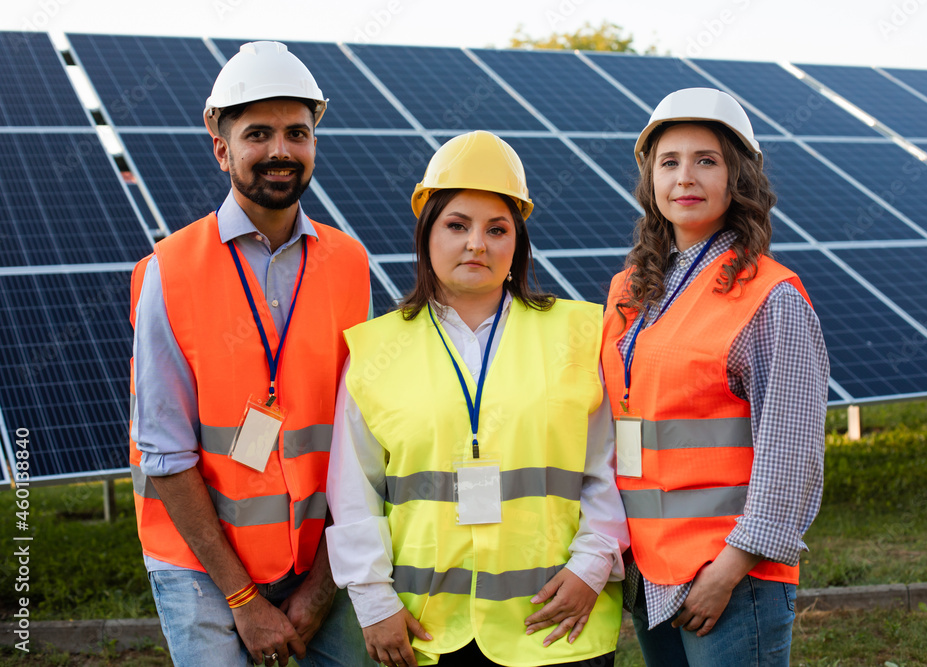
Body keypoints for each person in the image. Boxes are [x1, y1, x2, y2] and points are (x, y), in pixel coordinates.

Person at [325, 130, 628, 667]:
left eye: (497, 229)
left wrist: (593, 565)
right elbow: (354, 489)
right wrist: (372, 600)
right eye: (457, 225)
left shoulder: (580, 333)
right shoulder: (376, 348)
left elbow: (610, 464)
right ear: (426, 235)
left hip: (557, 623)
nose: (477, 244)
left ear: (518, 242)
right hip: (428, 628)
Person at [128, 41, 372, 667]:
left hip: (318, 552)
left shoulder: (348, 264)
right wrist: (242, 598)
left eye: (298, 132)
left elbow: (356, 439)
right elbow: (165, 452)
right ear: (222, 149)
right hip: (200, 566)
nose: (280, 151)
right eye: (257, 133)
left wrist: (322, 583)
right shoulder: (171, 271)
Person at [601, 88, 829, 666]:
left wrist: (729, 568)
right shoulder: (630, 291)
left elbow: (792, 451)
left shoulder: (771, 295)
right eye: (669, 162)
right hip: (649, 569)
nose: (686, 177)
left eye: (707, 160)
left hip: (731, 575)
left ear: (739, 178)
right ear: (651, 179)